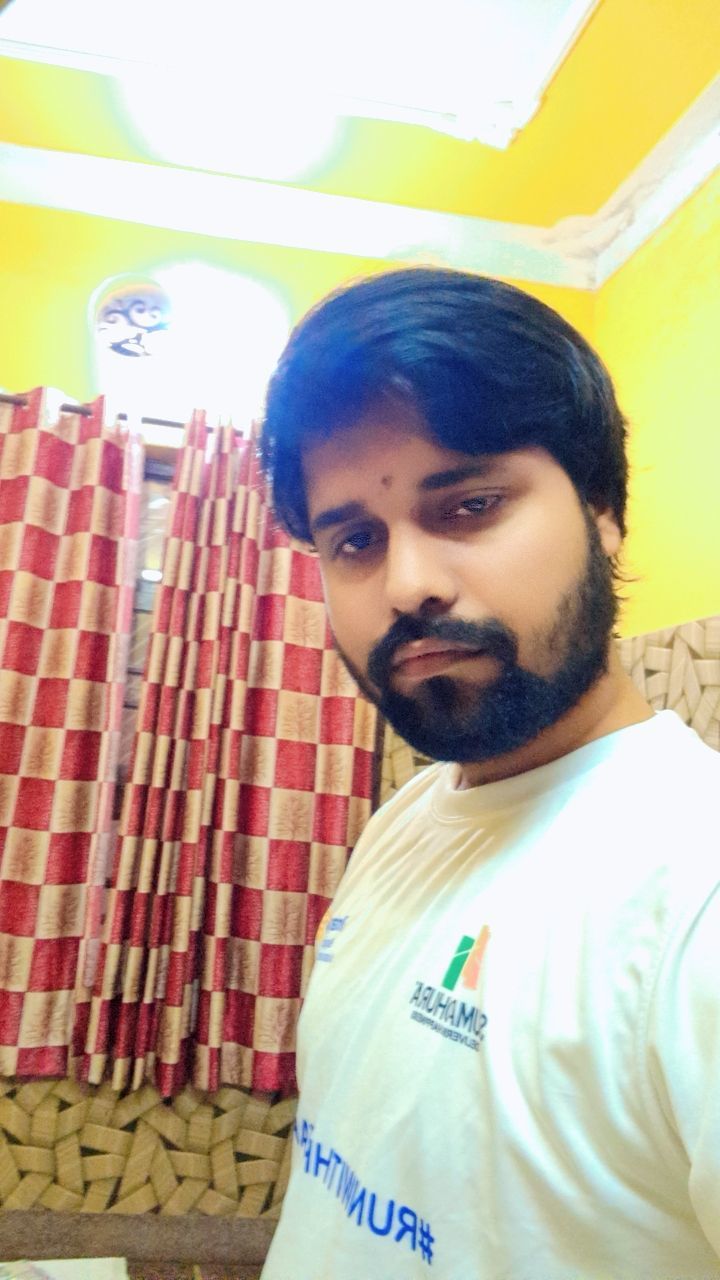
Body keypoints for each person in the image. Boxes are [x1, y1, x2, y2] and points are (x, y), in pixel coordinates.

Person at [258, 268, 720, 1280]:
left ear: (603, 511)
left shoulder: (695, 891)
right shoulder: (413, 813)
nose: (408, 583)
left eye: (469, 504)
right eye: (354, 539)